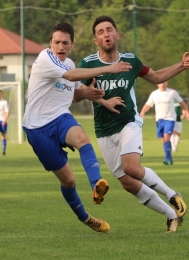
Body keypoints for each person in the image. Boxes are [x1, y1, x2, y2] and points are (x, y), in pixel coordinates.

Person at [76, 15, 189, 233]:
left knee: (131, 167)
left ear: (117, 35)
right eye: (100, 32)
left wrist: (182, 65)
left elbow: (156, 77)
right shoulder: (87, 64)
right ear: (95, 41)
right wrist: (101, 100)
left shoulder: (131, 61)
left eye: (109, 30)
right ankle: (171, 215)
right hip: (104, 130)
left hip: (129, 122)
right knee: (127, 182)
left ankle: (173, 195)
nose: (106, 34)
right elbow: (78, 94)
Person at [22, 22, 132, 233]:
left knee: (82, 138)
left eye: (65, 43)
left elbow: (74, 92)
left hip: (61, 118)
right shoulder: (46, 59)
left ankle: (96, 184)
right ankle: (85, 217)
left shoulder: (70, 64)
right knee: (69, 181)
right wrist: (109, 68)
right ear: (50, 43)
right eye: (56, 42)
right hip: (37, 129)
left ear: (72, 44)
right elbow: (71, 78)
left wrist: (100, 100)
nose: (60, 47)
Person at [140, 82, 189, 163]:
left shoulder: (172, 92)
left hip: (170, 119)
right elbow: (148, 104)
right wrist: (142, 112)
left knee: (167, 137)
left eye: (164, 82)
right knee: (163, 140)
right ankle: (169, 158)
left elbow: (181, 102)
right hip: (159, 120)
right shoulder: (154, 94)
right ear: (157, 84)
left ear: (167, 83)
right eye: (161, 83)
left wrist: (187, 112)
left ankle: (167, 158)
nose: (162, 84)